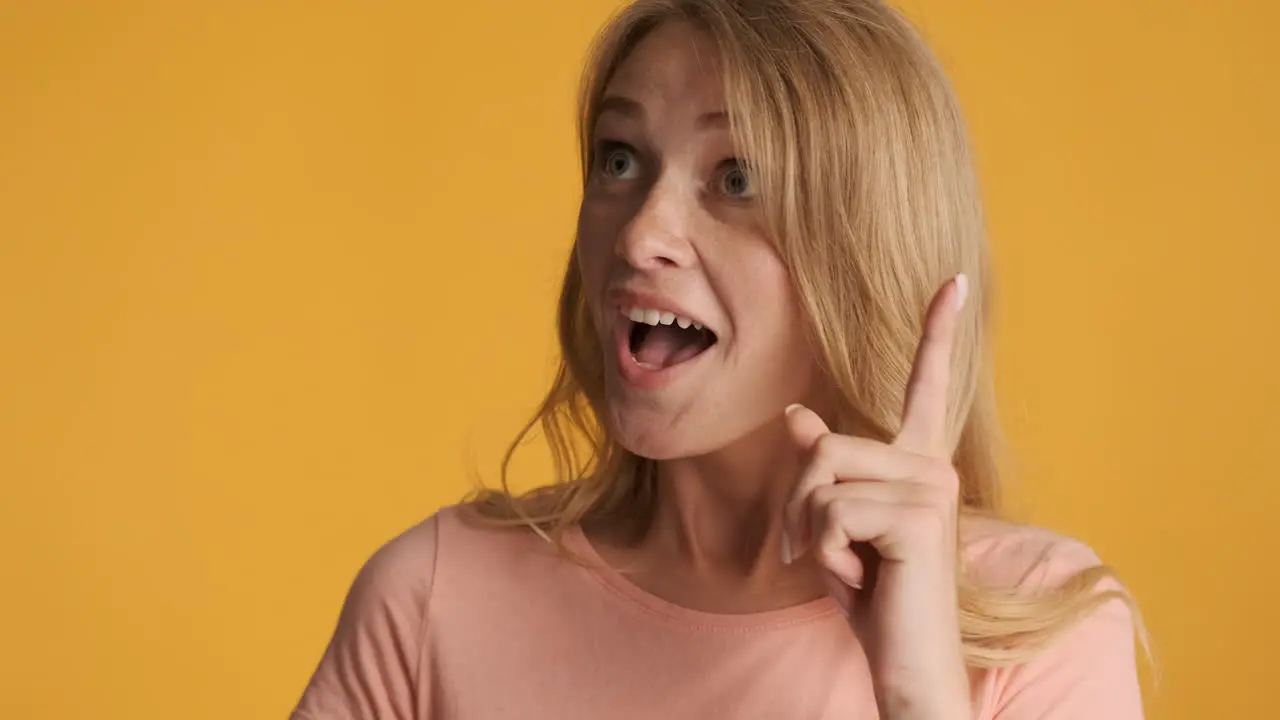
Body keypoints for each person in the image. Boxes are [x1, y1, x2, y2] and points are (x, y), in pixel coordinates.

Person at [289, 0, 1146, 717]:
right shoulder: (433, 598)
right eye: (620, 161)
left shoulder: (1040, 631)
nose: (640, 234)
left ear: (869, 244)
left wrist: (920, 692)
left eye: (736, 178)